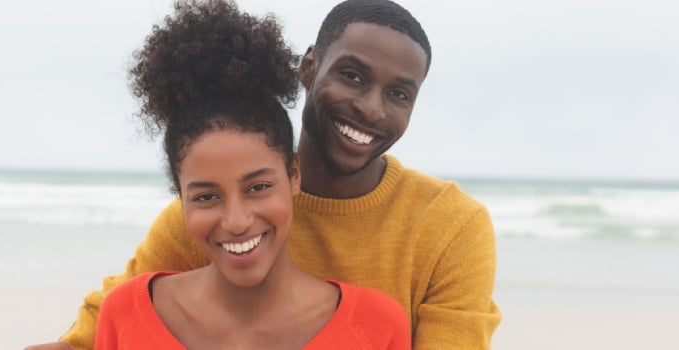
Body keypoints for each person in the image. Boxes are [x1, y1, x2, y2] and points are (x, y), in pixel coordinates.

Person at [26, 0, 500, 349]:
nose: (370, 108)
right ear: (309, 67)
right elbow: (97, 331)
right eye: (352, 75)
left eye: (399, 93)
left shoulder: (452, 227)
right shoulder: (215, 215)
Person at [93, 1, 410, 348]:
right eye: (206, 196)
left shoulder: (378, 327)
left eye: (258, 187)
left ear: (294, 176)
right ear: (179, 198)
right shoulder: (124, 315)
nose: (237, 221)